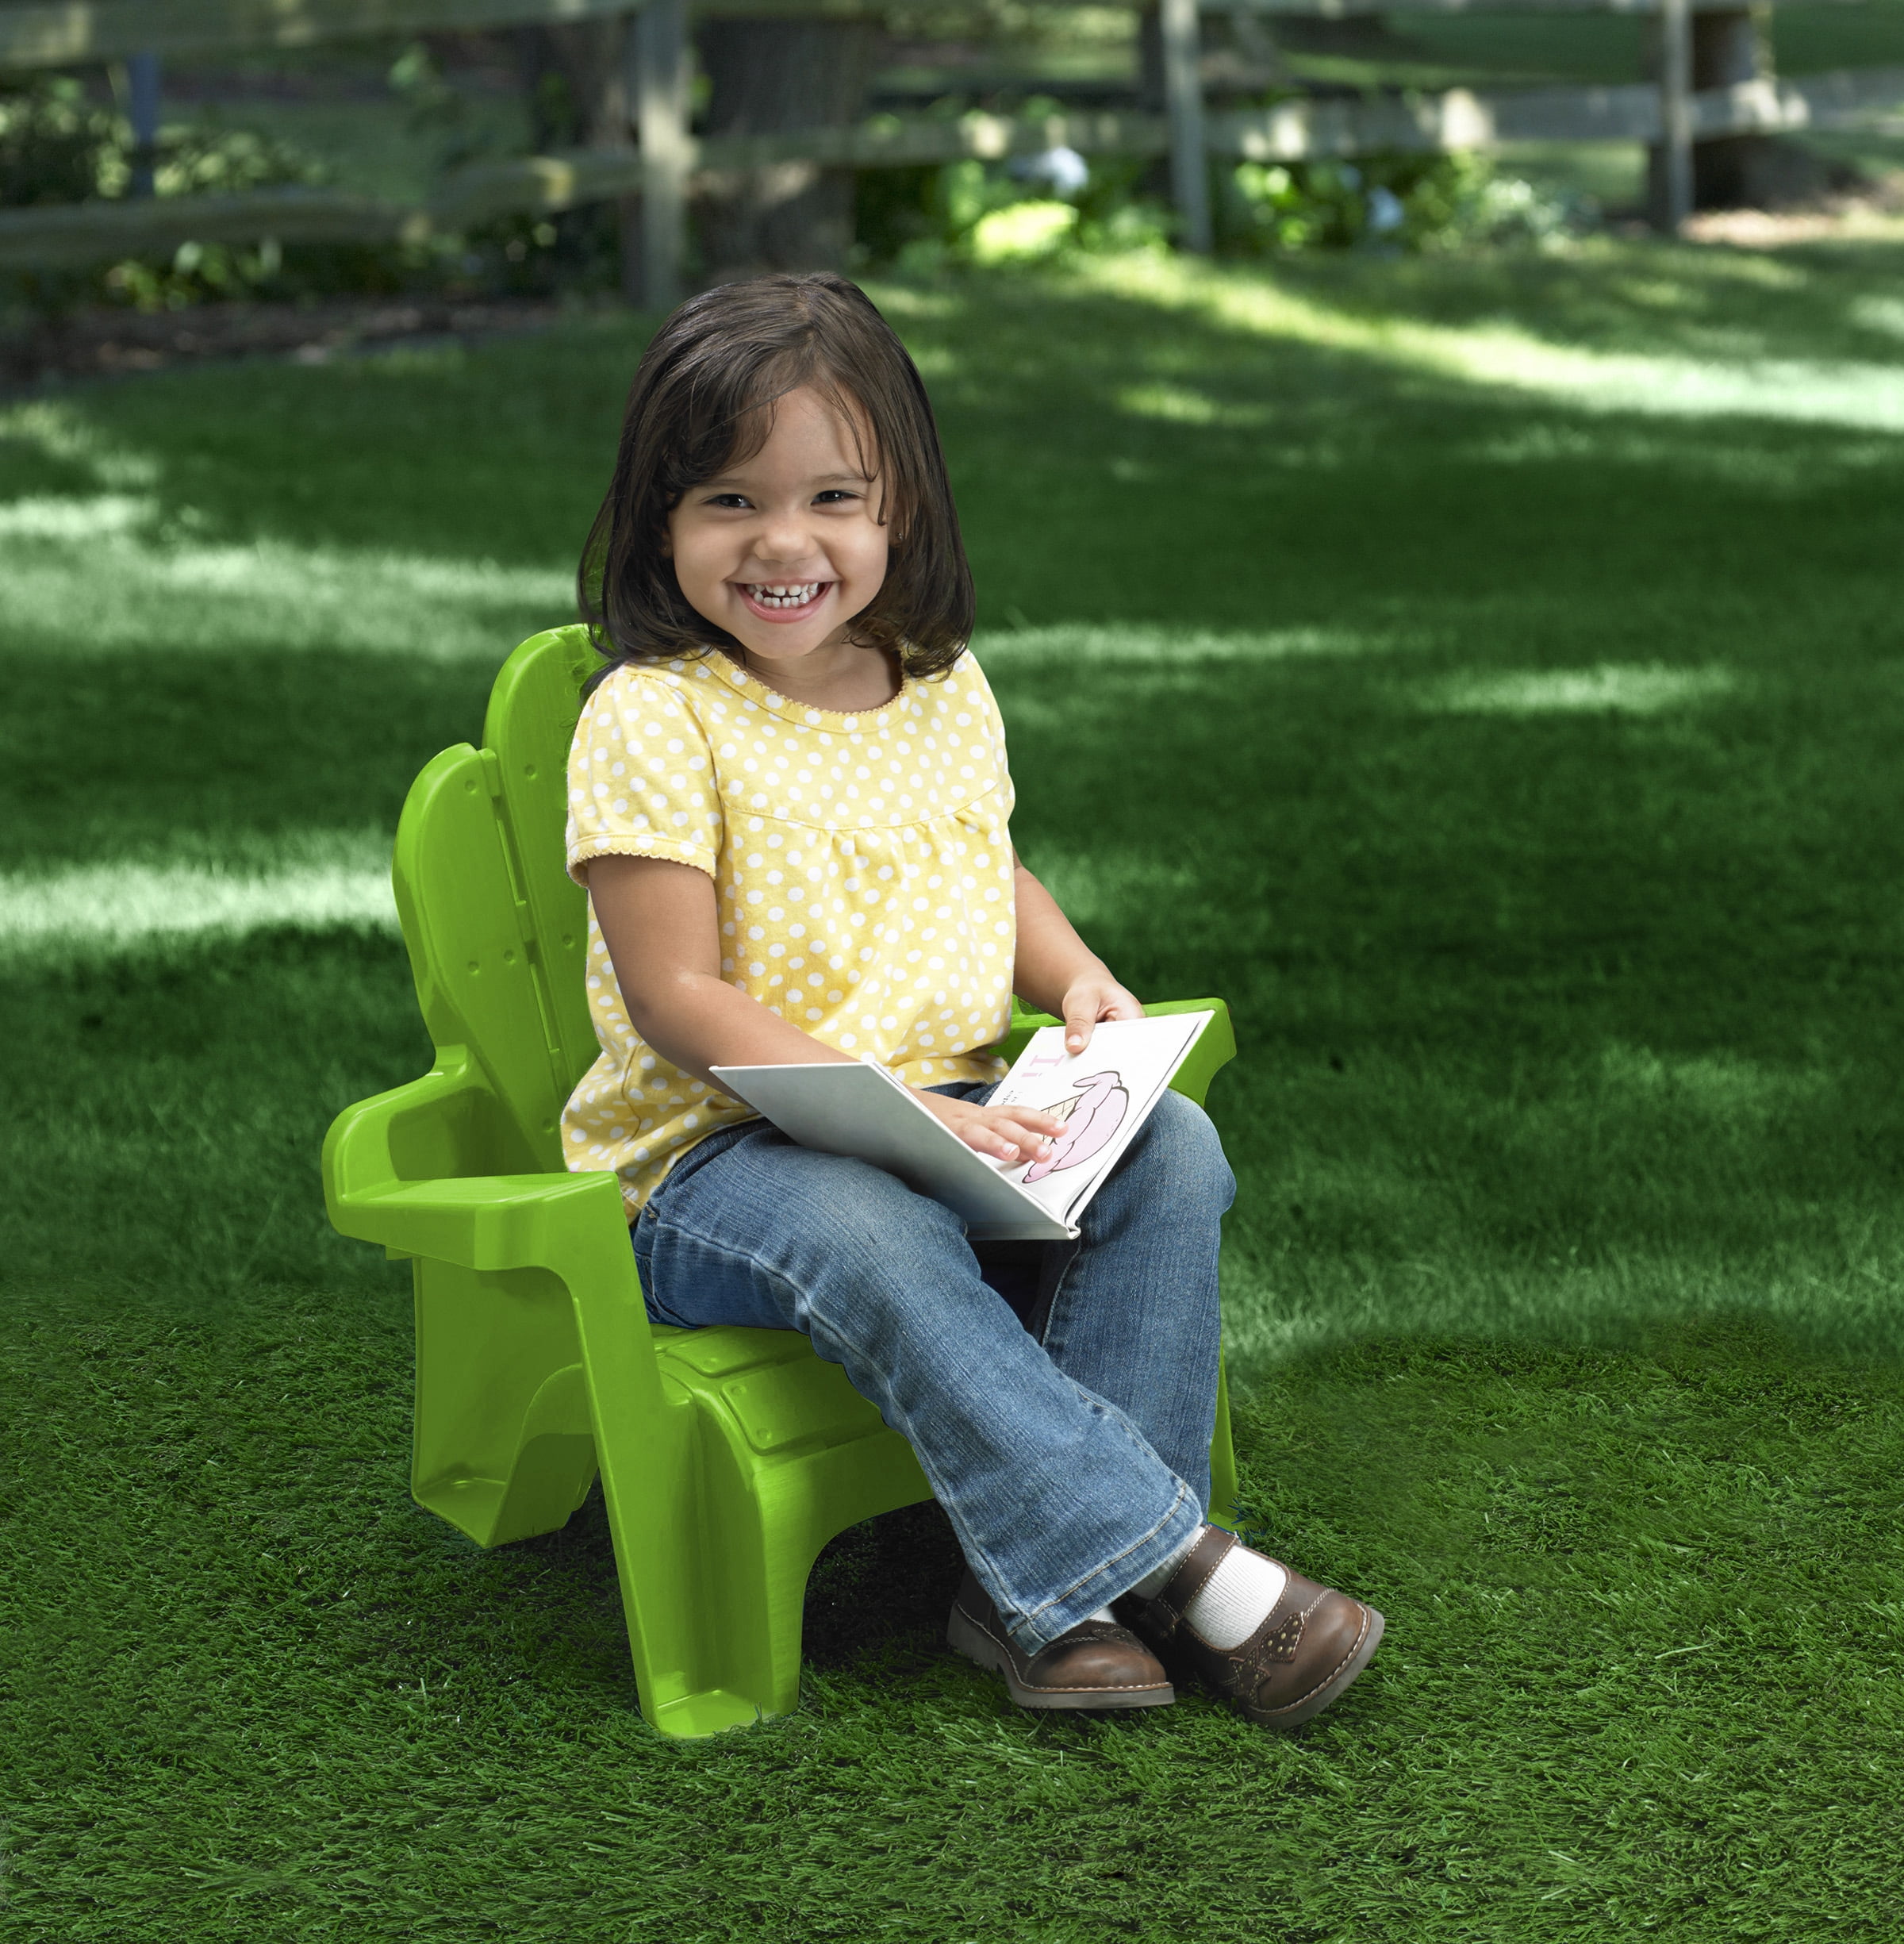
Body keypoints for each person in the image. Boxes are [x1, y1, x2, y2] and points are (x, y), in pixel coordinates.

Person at [562, 271, 1384, 1729]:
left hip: (960, 1118)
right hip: (720, 1164)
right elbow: (678, 995)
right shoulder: (655, 713)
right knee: (861, 1216)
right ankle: (1176, 1569)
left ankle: (1033, 1602)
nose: (784, 543)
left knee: (1173, 1149)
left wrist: (1071, 980)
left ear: (902, 510)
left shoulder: (938, 685)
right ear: (657, 521)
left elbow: (982, 868)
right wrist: (878, 1118)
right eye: (728, 503)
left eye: (832, 497)